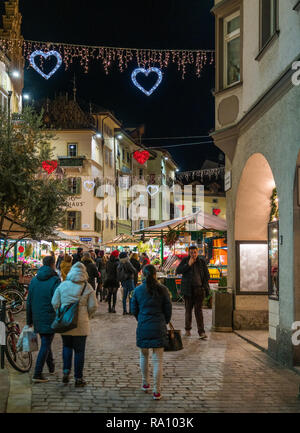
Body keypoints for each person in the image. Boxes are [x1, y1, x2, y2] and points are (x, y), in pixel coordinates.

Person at [52, 262, 97, 387]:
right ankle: (78, 378)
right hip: (81, 324)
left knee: (66, 346)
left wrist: (60, 313)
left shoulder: (63, 285)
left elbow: (54, 302)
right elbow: (93, 306)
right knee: (79, 351)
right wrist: (88, 315)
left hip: (66, 323)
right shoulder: (87, 287)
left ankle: (66, 372)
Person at [131, 265, 172, 401]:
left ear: (143, 275)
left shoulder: (137, 290)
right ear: (155, 275)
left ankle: (145, 383)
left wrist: (141, 319)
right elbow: (168, 310)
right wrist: (164, 321)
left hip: (143, 325)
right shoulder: (163, 290)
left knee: (144, 356)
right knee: (158, 360)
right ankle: (157, 390)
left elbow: (134, 309)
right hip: (159, 326)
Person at [26, 256, 61, 383]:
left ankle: (51, 367)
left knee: (46, 341)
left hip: (37, 316)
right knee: (46, 343)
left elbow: (28, 302)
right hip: (49, 316)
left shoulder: (34, 280)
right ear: (53, 264)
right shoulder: (55, 280)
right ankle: (37, 373)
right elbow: (57, 301)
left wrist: (29, 320)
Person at [176, 245, 210, 340]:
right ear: (188, 253)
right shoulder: (185, 260)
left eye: (195, 252)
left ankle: (201, 332)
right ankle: (187, 330)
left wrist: (204, 287)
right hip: (188, 290)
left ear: (197, 252)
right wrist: (188, 265)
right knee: (188, 310)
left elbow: (207, 275)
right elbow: (178, 271)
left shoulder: (201, 262)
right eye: (191, 253)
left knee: (198, 311)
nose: (193, 254)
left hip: (199, 290)